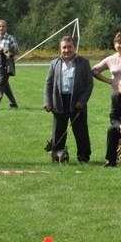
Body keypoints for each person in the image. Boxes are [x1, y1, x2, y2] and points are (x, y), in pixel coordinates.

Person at [43, 36, 94, 164]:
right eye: (64, 47)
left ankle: (84, 157)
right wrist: (48, 103)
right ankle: (58, 155)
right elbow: (48, 84)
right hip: (59, 101)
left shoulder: (84, 62)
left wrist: (82, 101)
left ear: (74, 47)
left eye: (69, 47)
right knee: (58, 130)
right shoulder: (54, 63)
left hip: (77, 101)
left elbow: (89, 85)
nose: (67, 50)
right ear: (60, 49)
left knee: (80, 130)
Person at [0, 19, 19, 109]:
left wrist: (5, 51)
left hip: (6, 64)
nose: (1, 28)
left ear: (6, 27)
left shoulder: (10, 38)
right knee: (4, 84)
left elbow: (17, 51)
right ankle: (13, 104)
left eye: (3, 26)